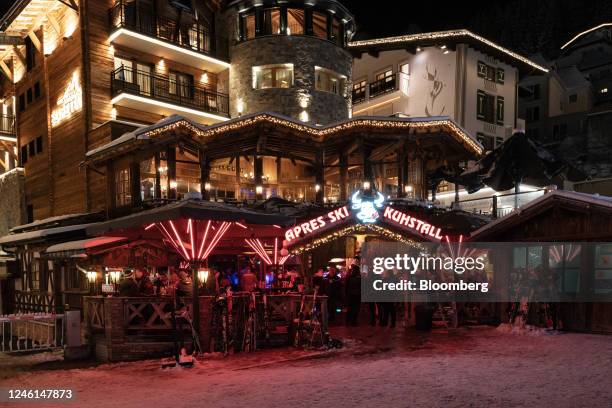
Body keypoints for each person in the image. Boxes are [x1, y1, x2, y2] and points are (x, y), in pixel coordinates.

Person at [345, 258, 362, 326]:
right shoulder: (359, 276)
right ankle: (353, 321)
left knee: (350, 308)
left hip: (350, 294)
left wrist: (346, 293)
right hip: (357, 294)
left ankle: (348, 321)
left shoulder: (349, 275)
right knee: (356, 308)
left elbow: (346, 285)